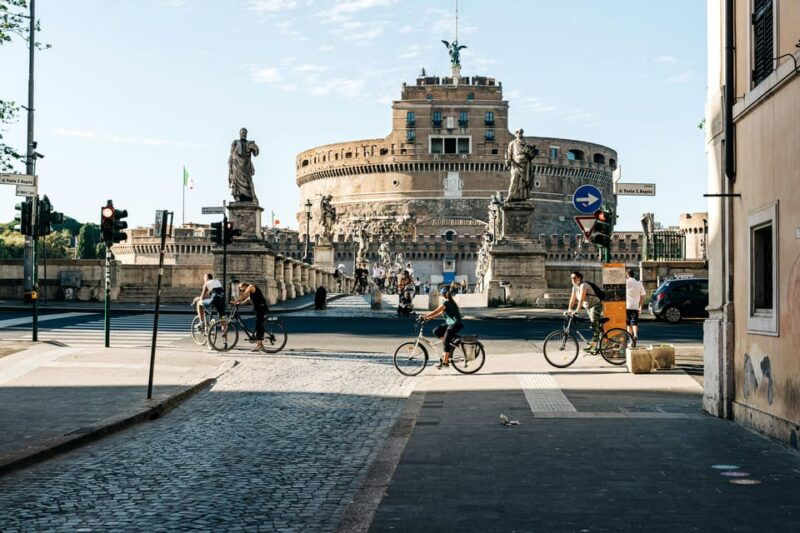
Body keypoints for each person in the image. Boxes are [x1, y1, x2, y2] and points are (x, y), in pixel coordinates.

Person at [422, 286, 464, 369]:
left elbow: (436, 311)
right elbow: (439, 313)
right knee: (436, 331)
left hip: (455, 324)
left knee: (445, 341)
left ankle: (445, 362)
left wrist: (425, 315)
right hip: (451, 324)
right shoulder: (448, 302)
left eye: (440, 295)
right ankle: (450, 343)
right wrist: (428, 318)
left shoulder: (446, 303)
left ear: (442, 295)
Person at [565, 271, 603, 352]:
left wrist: (577, 310)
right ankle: (602, 343)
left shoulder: (583, 285)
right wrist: (569, 309)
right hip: (589, 307)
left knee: (594, 325)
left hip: (596, 305)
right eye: (571, 278)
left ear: (579, 278)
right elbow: (572, 298)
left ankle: (593, 346)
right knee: (596, 325)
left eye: (574, 278)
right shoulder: (574, 287)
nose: (572, 279)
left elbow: (581, 299)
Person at [231, 282, 269, 351]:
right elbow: (248, 299)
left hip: (262, 308)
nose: (241, 290)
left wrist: (235, 301)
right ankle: (259, 344)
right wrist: (240, 304)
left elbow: (244, 296)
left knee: (259, 325)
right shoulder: (251, 291)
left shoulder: (251, 286)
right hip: (258, 309)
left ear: (244, 286)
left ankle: (260, 345)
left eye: (241, 289)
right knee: (258, 325)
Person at [625, 269, 647, 346]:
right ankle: (636, 336)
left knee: (628, 324)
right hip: (635, 306)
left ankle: (630, 340)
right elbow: (642, 297)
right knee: (634, 323)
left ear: (627, 275)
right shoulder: (639, 284)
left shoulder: (626, 283)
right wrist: (640, 307)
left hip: (627, 306)